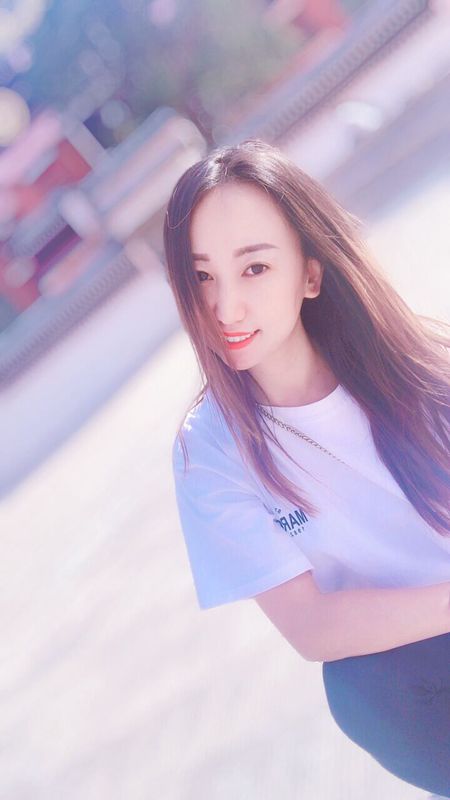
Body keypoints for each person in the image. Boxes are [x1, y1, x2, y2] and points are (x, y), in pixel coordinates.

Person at [163, 139, 450, 797]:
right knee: (362, 688)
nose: (226, 308)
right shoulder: (210, 453)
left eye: (255, 268)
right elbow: (313, 627)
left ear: (310, 276)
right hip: (421, 654)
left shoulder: (420, 371)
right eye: (202, 277)